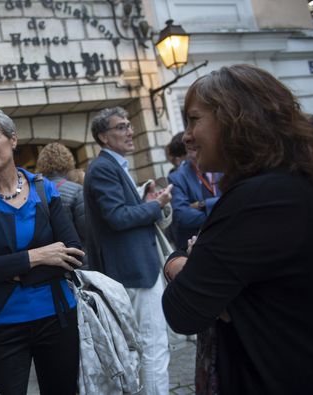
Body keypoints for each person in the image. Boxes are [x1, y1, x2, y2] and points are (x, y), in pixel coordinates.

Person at [162, 64, 313, 393]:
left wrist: (177, 264)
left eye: (194, 119)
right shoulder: (281, 186)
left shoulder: (259, 198)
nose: (187, 136)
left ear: (234, 117)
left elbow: (182, 311)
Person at [0, 109, 84, 395]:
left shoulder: (44, 188)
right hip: (2, 325)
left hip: (57, 318)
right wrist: (38, 257)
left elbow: (74, 254)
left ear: (12, 139)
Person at [83, 106, 174, 395]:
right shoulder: (102, 169)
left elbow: (122, 213)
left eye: (129, 124)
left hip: (138, 267)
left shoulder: (112, 166)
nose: (130, 131)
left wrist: (146, 200)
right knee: (153, 346)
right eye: (121, 127)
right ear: (103, 137)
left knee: (150, 346)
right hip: (134, 272)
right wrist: (154, 206)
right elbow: (118, 217)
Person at [167, 132, 222, 251]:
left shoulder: (223, 167)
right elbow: (182, 216)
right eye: (188, 143)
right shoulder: (176, 178)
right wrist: (222, 213)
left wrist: (202, 204)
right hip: (198, 246)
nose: (192, 145)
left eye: (196, 141)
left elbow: (234, 200)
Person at [36, 142, 86, 245]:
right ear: (68, 160)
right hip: (77, 252)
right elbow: (86, 229)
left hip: (48, 254)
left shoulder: (34, 191)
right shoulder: (77, 190)